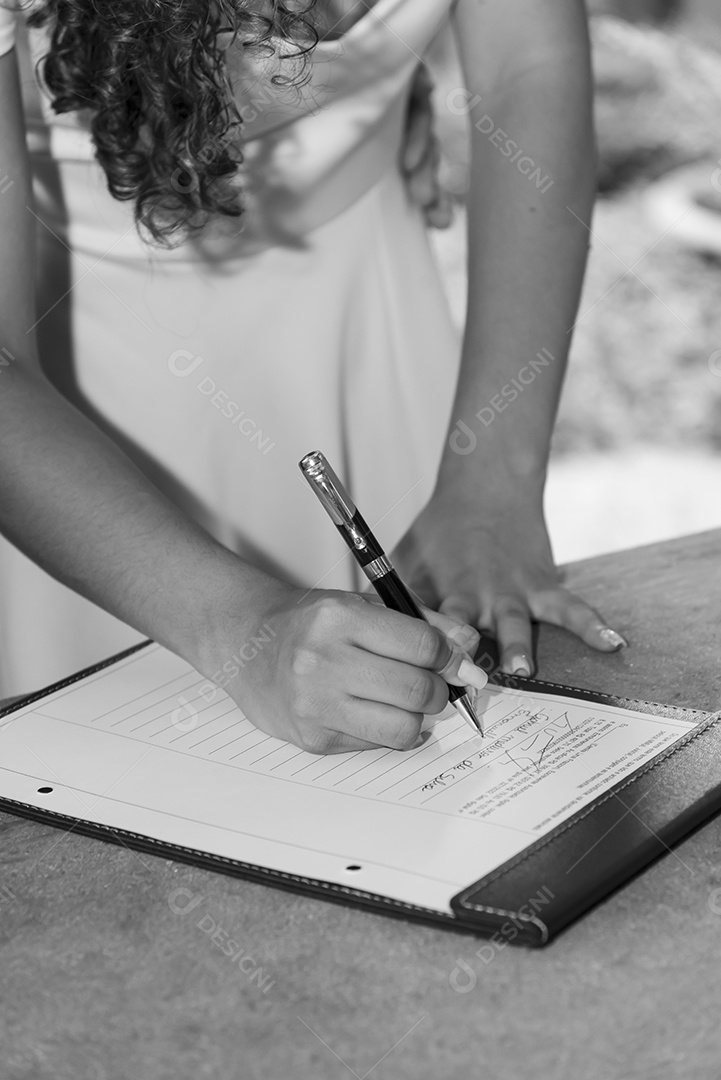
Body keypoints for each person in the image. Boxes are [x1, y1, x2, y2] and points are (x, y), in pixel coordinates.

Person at [0, 0, 626, 753]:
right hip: (67, 414)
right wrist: (242, 626)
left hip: (372, 312)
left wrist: (492, 478)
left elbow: (529, 66)